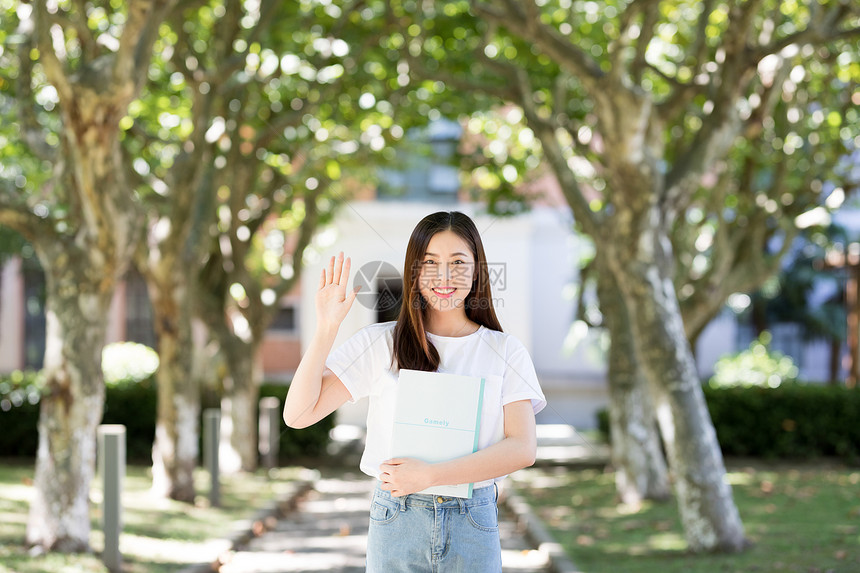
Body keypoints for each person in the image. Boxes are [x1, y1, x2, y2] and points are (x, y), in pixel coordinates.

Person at [283, 210, 546, 572]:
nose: (444, 276)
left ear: (477, 270)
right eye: (430, 262)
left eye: (458, 262)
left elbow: (522, 448)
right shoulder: (380, 343)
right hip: (398, 519)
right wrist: (327, 327)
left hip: (473, 519)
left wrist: (432, 475)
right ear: (414, 271)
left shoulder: (505, 351)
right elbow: (298, 415)